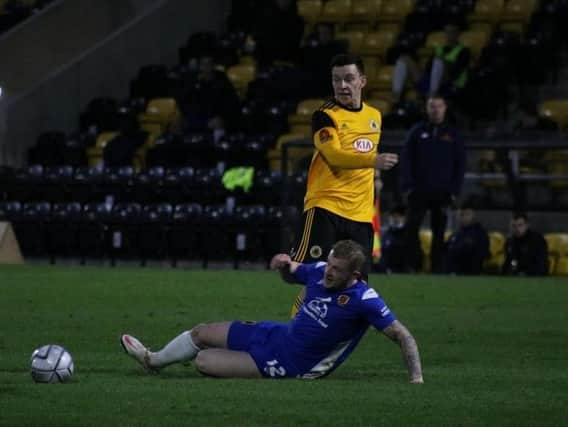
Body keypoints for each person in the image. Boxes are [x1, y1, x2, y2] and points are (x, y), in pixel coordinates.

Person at [120, 240, 424, 382]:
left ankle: (182, 360)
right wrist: (282, 265)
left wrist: (416, 379)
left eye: (336, 270)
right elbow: (293, 271)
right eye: (329, 264)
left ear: (354, 276)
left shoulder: (365, 299)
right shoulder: (319, 271)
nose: (328, 272)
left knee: (203, 360)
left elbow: (403, 336)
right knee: (202, 332)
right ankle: (152, 360)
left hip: (293, 364)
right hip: (277, 333)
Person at [288, 53, 400, 316]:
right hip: (325, 206)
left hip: (360, 214)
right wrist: (374, 161)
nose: (342, 85)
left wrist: (375, 177)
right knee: (316, 278)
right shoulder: (325, 116)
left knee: (355, 284)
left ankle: (334, 338)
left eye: (349, 79)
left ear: (362, 80)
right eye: (336, 80)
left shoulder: (374, 116)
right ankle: (295, 334)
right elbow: (335, 157)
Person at [399, 95, 466, 273]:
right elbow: (406, 160)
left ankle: (437, 268)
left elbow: (460, 164)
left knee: (440, 231)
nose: (435, 110)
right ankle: (413, 265)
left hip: (443, 192)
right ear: (427, 109)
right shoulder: (416, 132)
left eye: (439, 106)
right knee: (411, 228)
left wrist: (454, 191)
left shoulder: (453, 135)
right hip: (418, 191)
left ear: (445, 108)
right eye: (432, 106)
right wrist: (408, 187)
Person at [391, 23, 470, 106]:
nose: (449, 35)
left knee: (438, 61)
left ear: (458, 34)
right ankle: (396, 96)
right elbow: (428, 68)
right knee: (404, 58)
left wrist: (445, 63)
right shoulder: (439, 49)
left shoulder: (464, 51)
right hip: (430, 82)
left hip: (450, 85)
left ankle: (432, 96)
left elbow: (456, 72)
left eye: (452, 32)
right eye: (447, 32)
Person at [445, 201, 489, 275]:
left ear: (474, 215)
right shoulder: (456, 234)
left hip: (470, 271)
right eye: (462, 215)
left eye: (467, 214)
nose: (464, 217)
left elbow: (482, 253)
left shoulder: (480, 233)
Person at [376, 204, 422, 274]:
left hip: (405, 269)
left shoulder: (410, 234)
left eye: (399, 216)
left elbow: (415, 253)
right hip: (388, 269)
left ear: (404, 217)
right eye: (394, 216)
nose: (396, 218)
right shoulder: (387, 233)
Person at [502, 212, 548, 276]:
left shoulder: (537, 240)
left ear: (527, 225)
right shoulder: (510, 242)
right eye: (514, 226)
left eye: (520, 225)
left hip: (534, 276)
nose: (517, 229)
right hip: (516, 275)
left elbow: (541, 263)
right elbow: (509, 261)